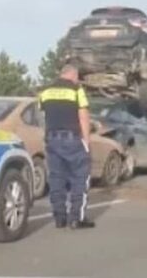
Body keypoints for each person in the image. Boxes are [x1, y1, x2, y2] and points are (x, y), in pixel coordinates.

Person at [38, 64, 94, 229]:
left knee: (56, 178)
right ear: (73, 75)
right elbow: (83, 116)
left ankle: (59, 218)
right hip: (72, 140)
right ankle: (77, 218)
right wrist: (86, 141)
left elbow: (42, 116)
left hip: (52, 139)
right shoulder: (76, 90)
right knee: (80, 177)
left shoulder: (46, 90)